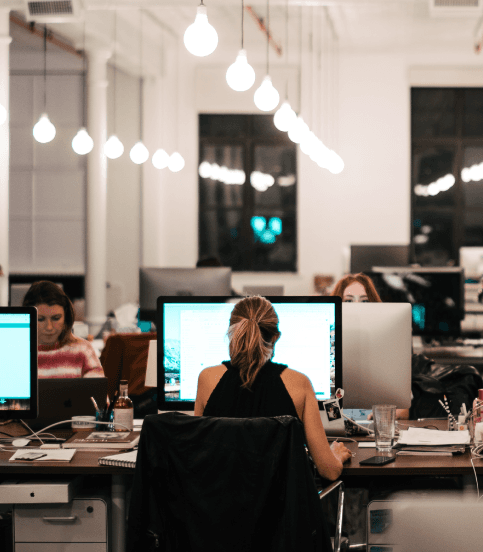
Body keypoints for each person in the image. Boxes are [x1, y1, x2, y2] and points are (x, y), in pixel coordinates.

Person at [194, 295, 352, 481]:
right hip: (281, 509)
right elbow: (329, 471)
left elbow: (197, 456)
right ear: (275, 337)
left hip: (218, 507)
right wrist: (335, 455)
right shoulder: (299, 383)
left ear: (231, 333)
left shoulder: (207, 379)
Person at [331, 273, 409, 419]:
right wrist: (334, 421)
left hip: (375, 425)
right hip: (335, 421)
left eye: (364, 301)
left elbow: (404, 408)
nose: (357, 307)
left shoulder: (387, 343)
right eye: (348, 301)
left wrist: (385, 417)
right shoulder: (326, 342)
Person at [22, 281, 104, 379]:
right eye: (40, 319)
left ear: (66, 317)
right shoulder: (16, 352)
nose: (49, 327)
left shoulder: (83, 350)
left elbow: (98, 392)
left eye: (56, 318)